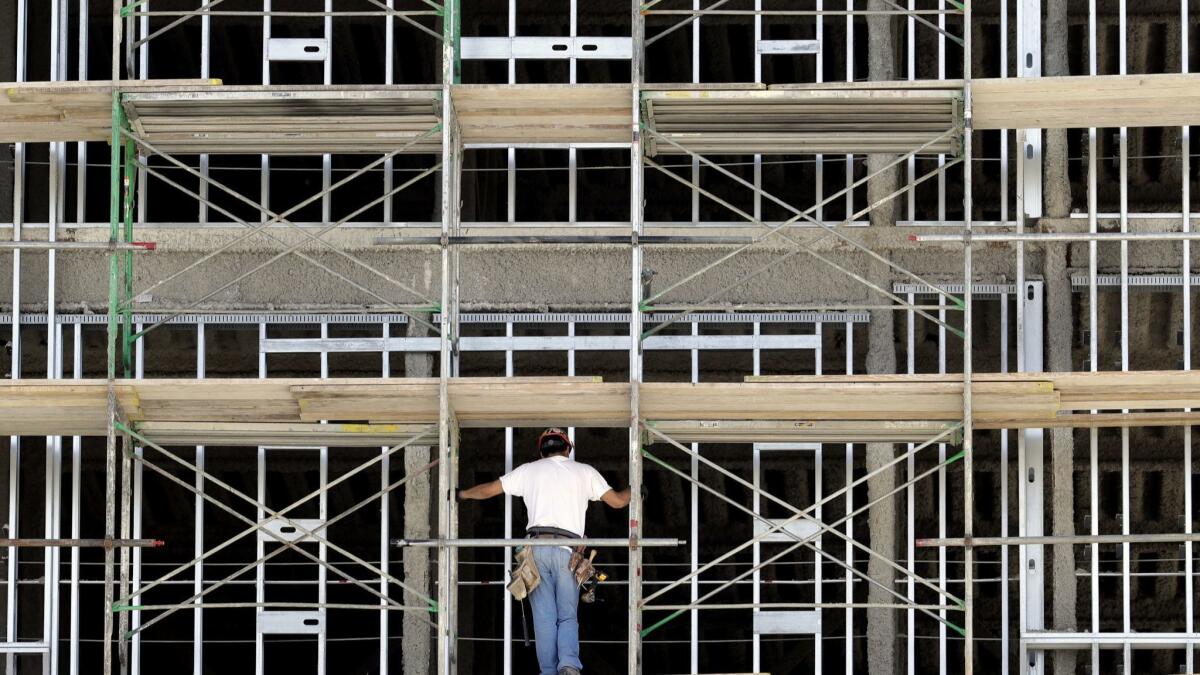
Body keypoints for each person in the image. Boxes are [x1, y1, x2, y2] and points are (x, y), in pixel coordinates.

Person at [457, 428, 632, 675]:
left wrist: (460, 494)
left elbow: (488, 490)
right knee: (567, 616)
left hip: (536, 552)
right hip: (567, 552)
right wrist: (637, 489)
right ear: (567, 448)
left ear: (541, 450)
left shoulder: (529, 470)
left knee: (544, 620)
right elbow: (618, 502)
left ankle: (548, 671)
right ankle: (569, 666)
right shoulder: (584, 472)